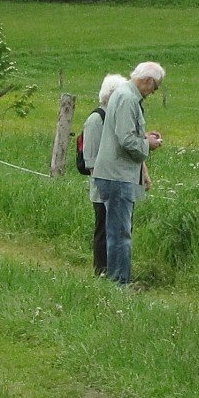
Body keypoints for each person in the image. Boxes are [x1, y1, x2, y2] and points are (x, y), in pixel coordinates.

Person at [90, 60, 164, 286]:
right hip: (117, 174)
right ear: (148, 81)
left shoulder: (123, 95)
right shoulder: (128, 98)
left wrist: (144, 136)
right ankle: (120, 282)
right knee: (121, 233)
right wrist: (147, 144)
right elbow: (125, 139)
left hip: (115, 173)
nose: (154, 92)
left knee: (115, 230)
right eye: (156, 86)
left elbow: (125, 132)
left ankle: (113, 278)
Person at [82, 73, 130, 275]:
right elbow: (91, 161)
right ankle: (101, 271)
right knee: (103, 230)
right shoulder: (96, 120)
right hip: (103, 188)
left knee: (119, 231)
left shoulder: (116, 119)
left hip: (118, 185)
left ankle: (117, 271)